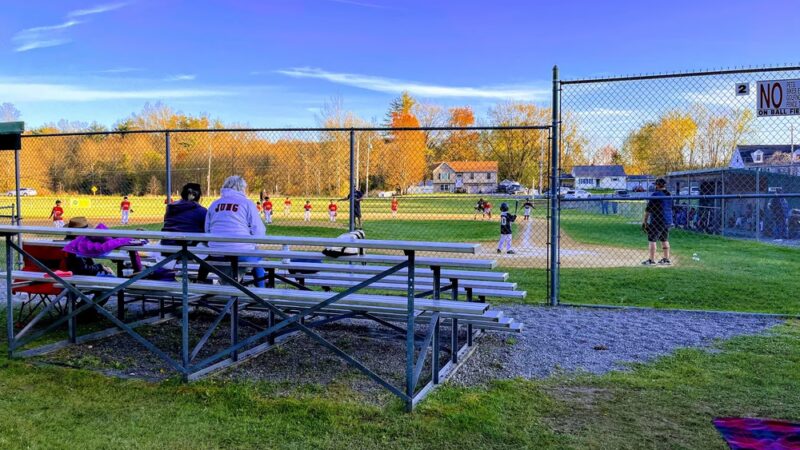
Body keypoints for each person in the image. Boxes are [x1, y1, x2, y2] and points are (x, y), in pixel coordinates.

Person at [201, 176, 267, 287]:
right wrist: (253, 243)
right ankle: (261, 291)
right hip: (241, 254)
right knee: (257, 259)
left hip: (217, 254)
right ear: (242, 188)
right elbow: (259, 231)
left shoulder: (214, 204)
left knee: (250, 257)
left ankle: (228, 286)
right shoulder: (247, 203)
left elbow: (207, 229)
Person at [642, 178, 673, 265]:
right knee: (664, 239)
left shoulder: (655, 194)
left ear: (657, 185)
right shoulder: (669, 194)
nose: (655, 186)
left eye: (655, 184)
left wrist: (644, 222)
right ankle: (666, 259)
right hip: (667, 220)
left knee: (652, 240)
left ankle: (651, 260)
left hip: (657, 220)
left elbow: (648, 210)